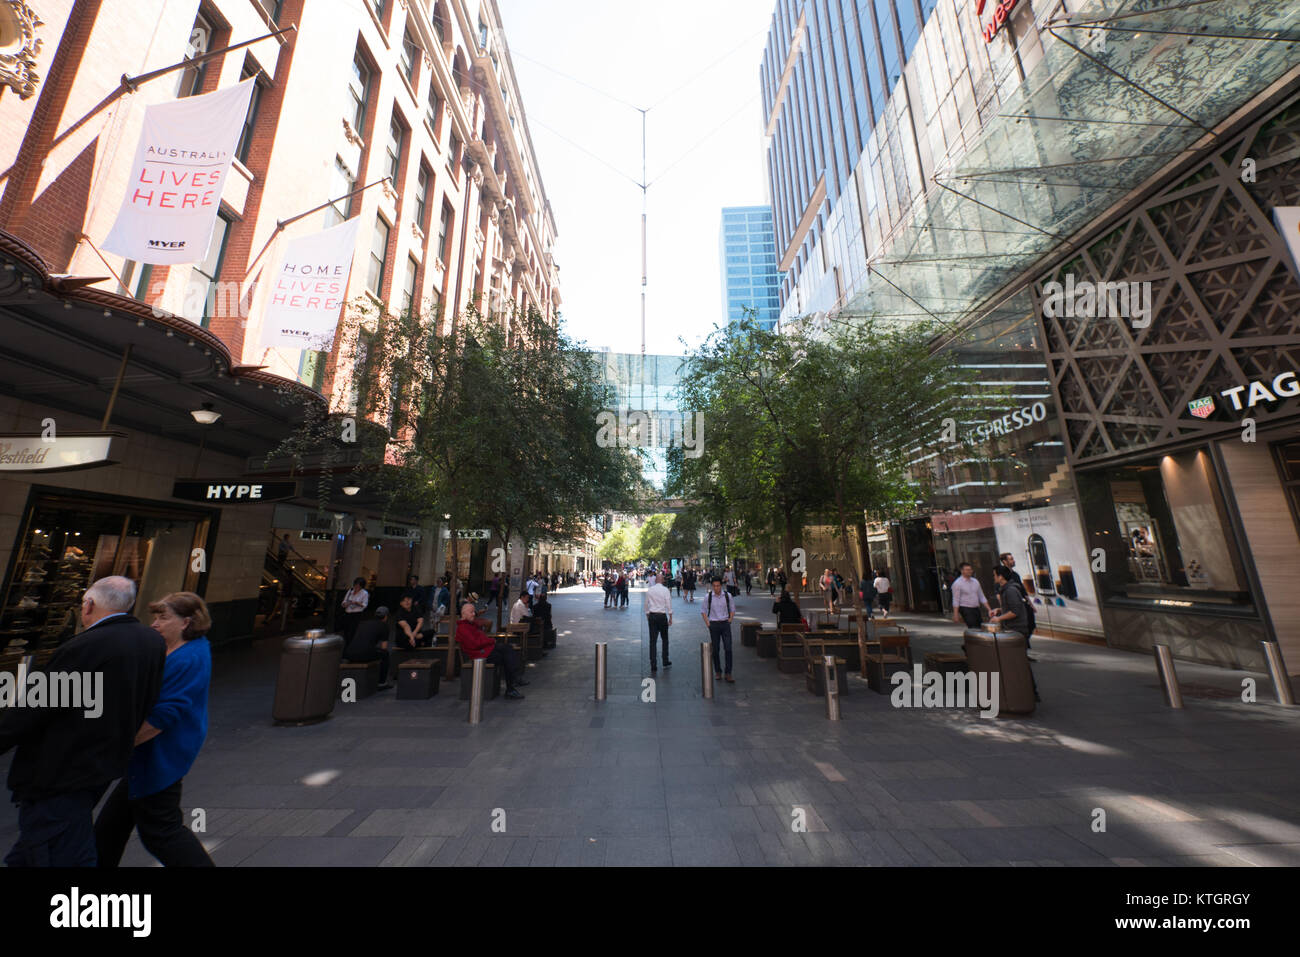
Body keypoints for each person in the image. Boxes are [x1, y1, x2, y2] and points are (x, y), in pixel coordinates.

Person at [1, 576, 165, 867]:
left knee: (62, 851)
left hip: (61, 769)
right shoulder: (150, 641)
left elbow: (34, 708)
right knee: (36, 849)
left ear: (88, 605)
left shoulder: (86, 646)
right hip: (102, 764)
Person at [93, 592, 215, 868]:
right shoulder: (176, 650)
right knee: (110, 828)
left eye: (163, 617)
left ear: (185, 622)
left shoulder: (188, 658)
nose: (155, 624)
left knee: (161, 832)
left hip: (161, 755)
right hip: (151, 756)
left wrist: (122, 744)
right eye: (155, 617)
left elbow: (163, 715)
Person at [455, 602, 526, 700]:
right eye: (471, 612)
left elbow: (482, 633)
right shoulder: (463, 628)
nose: (474, 614)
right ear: (464, 614)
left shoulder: (470, 624)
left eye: (474, 612)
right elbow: (475, 643)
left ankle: (512, 685)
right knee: (506, 653)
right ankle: (513, 684)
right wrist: (491, 641)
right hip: (479, 655)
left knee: (507, 651)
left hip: (484, 651)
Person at [989, 567, 1041, 700]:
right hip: (1013, 629)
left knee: (1019, 662)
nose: (994, 577)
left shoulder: (1010, 590)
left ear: (1001, 577)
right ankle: (1025, 690)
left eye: (995, 575)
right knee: (1016, 661)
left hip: (1017, 630)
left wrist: (998, 619)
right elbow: (1011, 607)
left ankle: (1030, 692)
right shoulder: (1007, 589)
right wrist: (1000, 610)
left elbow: (1015, 611)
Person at [343, 605, 393, 687]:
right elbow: (384, 647)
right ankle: (382, 682)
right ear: (386, 616)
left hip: (349, 653)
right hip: (363, 654)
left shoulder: (364, 623)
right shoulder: (384, 626)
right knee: (385, 654)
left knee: (370, 650)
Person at [701, 577, 736, 683]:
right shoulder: (708, 597)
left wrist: (730, 620)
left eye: (718, 586)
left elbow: (732, 609)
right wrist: (708, 624)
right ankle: (718, 671)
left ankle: (728, 673)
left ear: (721, 585)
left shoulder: (727, 596)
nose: (716, 588)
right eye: (714, 586)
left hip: (725, 624)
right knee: (715, 650)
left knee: (728, 648)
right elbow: (703, 610)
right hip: (714, 625)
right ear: (712, 586)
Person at [644, 573, 674, 673]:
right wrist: (670, 616)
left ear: (656, 580)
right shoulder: (665, 590)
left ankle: (653, 664)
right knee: (665, 639)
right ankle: (665, 660)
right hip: (662, 616)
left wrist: (648, 615)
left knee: (652, 641)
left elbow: (646, 604)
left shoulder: (650, 590)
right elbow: (668, 604)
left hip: (653, 616)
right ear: (663, 580)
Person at [951, 562, 991, 630]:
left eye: (970, 569)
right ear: (962, 571)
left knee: (980, 627)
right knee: (973, 628)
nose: (970, 571)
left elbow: (981, 596)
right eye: (967, 570)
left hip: (976, 608)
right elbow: (956, 600)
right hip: (965, 608)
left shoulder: (975, 581)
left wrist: (989, 609)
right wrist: (956, 614)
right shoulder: (957, 583)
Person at [340, 577, 369, 643]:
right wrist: (345, 604)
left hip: (356, 614)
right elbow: (343, 602)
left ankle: (350, 644)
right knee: (346, 630)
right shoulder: (350, 591)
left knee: (353, 630)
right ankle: (347, 642)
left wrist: (357, 603)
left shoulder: (364, 593)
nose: (356, 587)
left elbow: (365, 605)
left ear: (362, 586)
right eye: (355, 585)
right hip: (347, 613)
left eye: (358, 586)